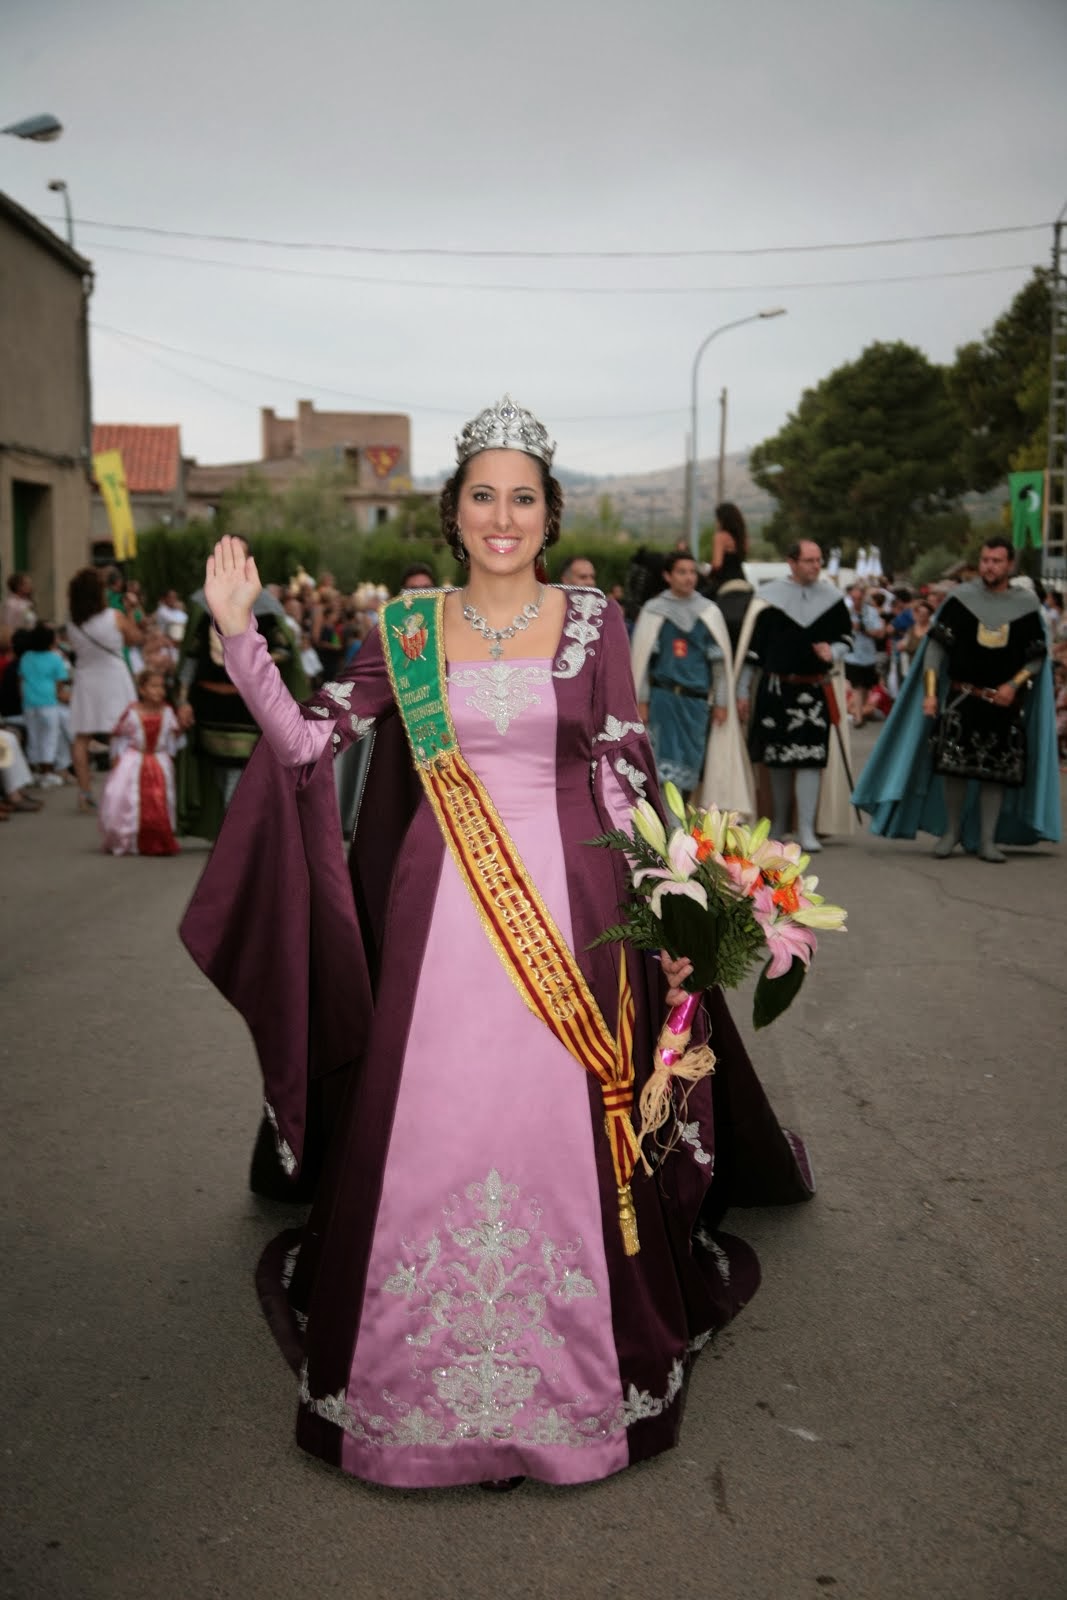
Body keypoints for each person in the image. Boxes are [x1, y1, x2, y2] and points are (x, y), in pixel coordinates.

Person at [181, 394, 813, 1493]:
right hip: (442, 919)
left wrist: (675, 916)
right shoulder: (407, 634)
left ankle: (568, 1386)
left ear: (549, 514)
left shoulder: (592, 624)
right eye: (484, 495)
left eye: (522, 497)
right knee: (435, 1121)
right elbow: (301, 744)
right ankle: (409, 1386)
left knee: (558, 1126)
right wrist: (239, 633)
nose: (502, 515)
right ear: (454, 511)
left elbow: (624, 774)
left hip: (574, 914)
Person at [853, 538, 1059, 861]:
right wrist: (931, 695)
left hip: (1004, 703)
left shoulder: (1026, 606)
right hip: (962, 698)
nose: (990, 566)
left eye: (997, 561)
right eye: (985, 559)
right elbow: (936, 648)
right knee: (954, 768)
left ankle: (988, 840)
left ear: (1010, 565)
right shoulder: (961, 601)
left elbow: (1036, 655)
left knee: (997, 772)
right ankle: (951, 833)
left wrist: (1013, 685)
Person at [175, 540, 308, 840]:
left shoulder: (265, 607)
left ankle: (236, 835)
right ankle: (230, 830)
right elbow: (192, 658)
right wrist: (182, 700)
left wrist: (252, 659)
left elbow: (285, 650)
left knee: (242, 767)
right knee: (220, 770)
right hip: (209, 703)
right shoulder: (202, 603)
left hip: (248, 706)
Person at [736, 541, 853, 853]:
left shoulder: (832, 600)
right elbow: (753, 651)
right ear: (792, 563)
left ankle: (805, 830)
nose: (816, 566)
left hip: (813, 691)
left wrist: (834, 650)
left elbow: (846, 637)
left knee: (810, 760)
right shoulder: (769, 601)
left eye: (819, 560)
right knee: (777, 761)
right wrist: (740, 691)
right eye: (810, 560)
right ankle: (778, 825)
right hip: (776, 690)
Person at [631, 551, 751, 813]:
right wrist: (641, 700)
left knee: (691, 767)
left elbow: (718, 664)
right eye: (682, 572)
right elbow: (643, 663)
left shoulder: (708, 612)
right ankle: (669, 827)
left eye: (692, 572)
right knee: (662, 767)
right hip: (663, 700)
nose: (688, 578)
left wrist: (721, 701)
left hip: (695, 704)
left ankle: (682, 825)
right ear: (667, 576)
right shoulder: (655, 611)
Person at [67, 567, 142, 814]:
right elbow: (134, 639)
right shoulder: (114, 616)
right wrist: (131, 610)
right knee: (119, 734)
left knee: (82, 737)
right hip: (114, 678)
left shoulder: (72, 624)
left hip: (86, 679)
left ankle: (85, 792)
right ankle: (118, 791)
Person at [98, 669, 184, 856]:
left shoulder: (168, 712)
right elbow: (119, 738)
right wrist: (116, 761)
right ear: (142, 689)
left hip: (159, 761)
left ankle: (158, 836)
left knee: (160, 799)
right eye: (153, 686)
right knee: (128, 799)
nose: (159, 691)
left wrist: (170, 755)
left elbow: (173, 740)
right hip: (133, 761)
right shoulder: (132, 712)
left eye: (161, 686)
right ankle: (128, 837)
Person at [18, 623, 72, 786]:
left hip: (29, 701)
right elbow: (60, 682)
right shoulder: (55, 658)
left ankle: (34, 771)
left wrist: (23, 696)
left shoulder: (26, 657)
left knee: (33, 736)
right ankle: (47, 772)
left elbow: (20, 680)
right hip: (48, 701)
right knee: (49, 737)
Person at [843, 584, 887, 727]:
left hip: (868, 655)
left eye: (859, 598)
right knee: (856, 686)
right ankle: (859, 717)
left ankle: (863, 711)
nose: (856, 601)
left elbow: (879, 633)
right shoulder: (847, 612)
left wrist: (862, 628)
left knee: (866, 686)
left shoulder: (871, 612)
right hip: (852, 655)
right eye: (853, 598)